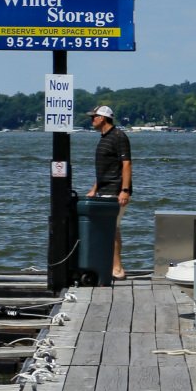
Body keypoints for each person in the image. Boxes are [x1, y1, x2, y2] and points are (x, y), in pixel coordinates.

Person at [85, 105, 131, 279]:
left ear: (103, 118)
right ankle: (111, 266)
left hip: (116, 191)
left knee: (112, 228)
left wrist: (124, 190)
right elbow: (106, 169)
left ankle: (117, 269)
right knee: (109, 229)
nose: (92, 120)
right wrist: (94, 189)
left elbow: (126, 164)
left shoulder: (118, 136)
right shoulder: (104, 138)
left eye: (94, 117)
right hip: (104, 190)